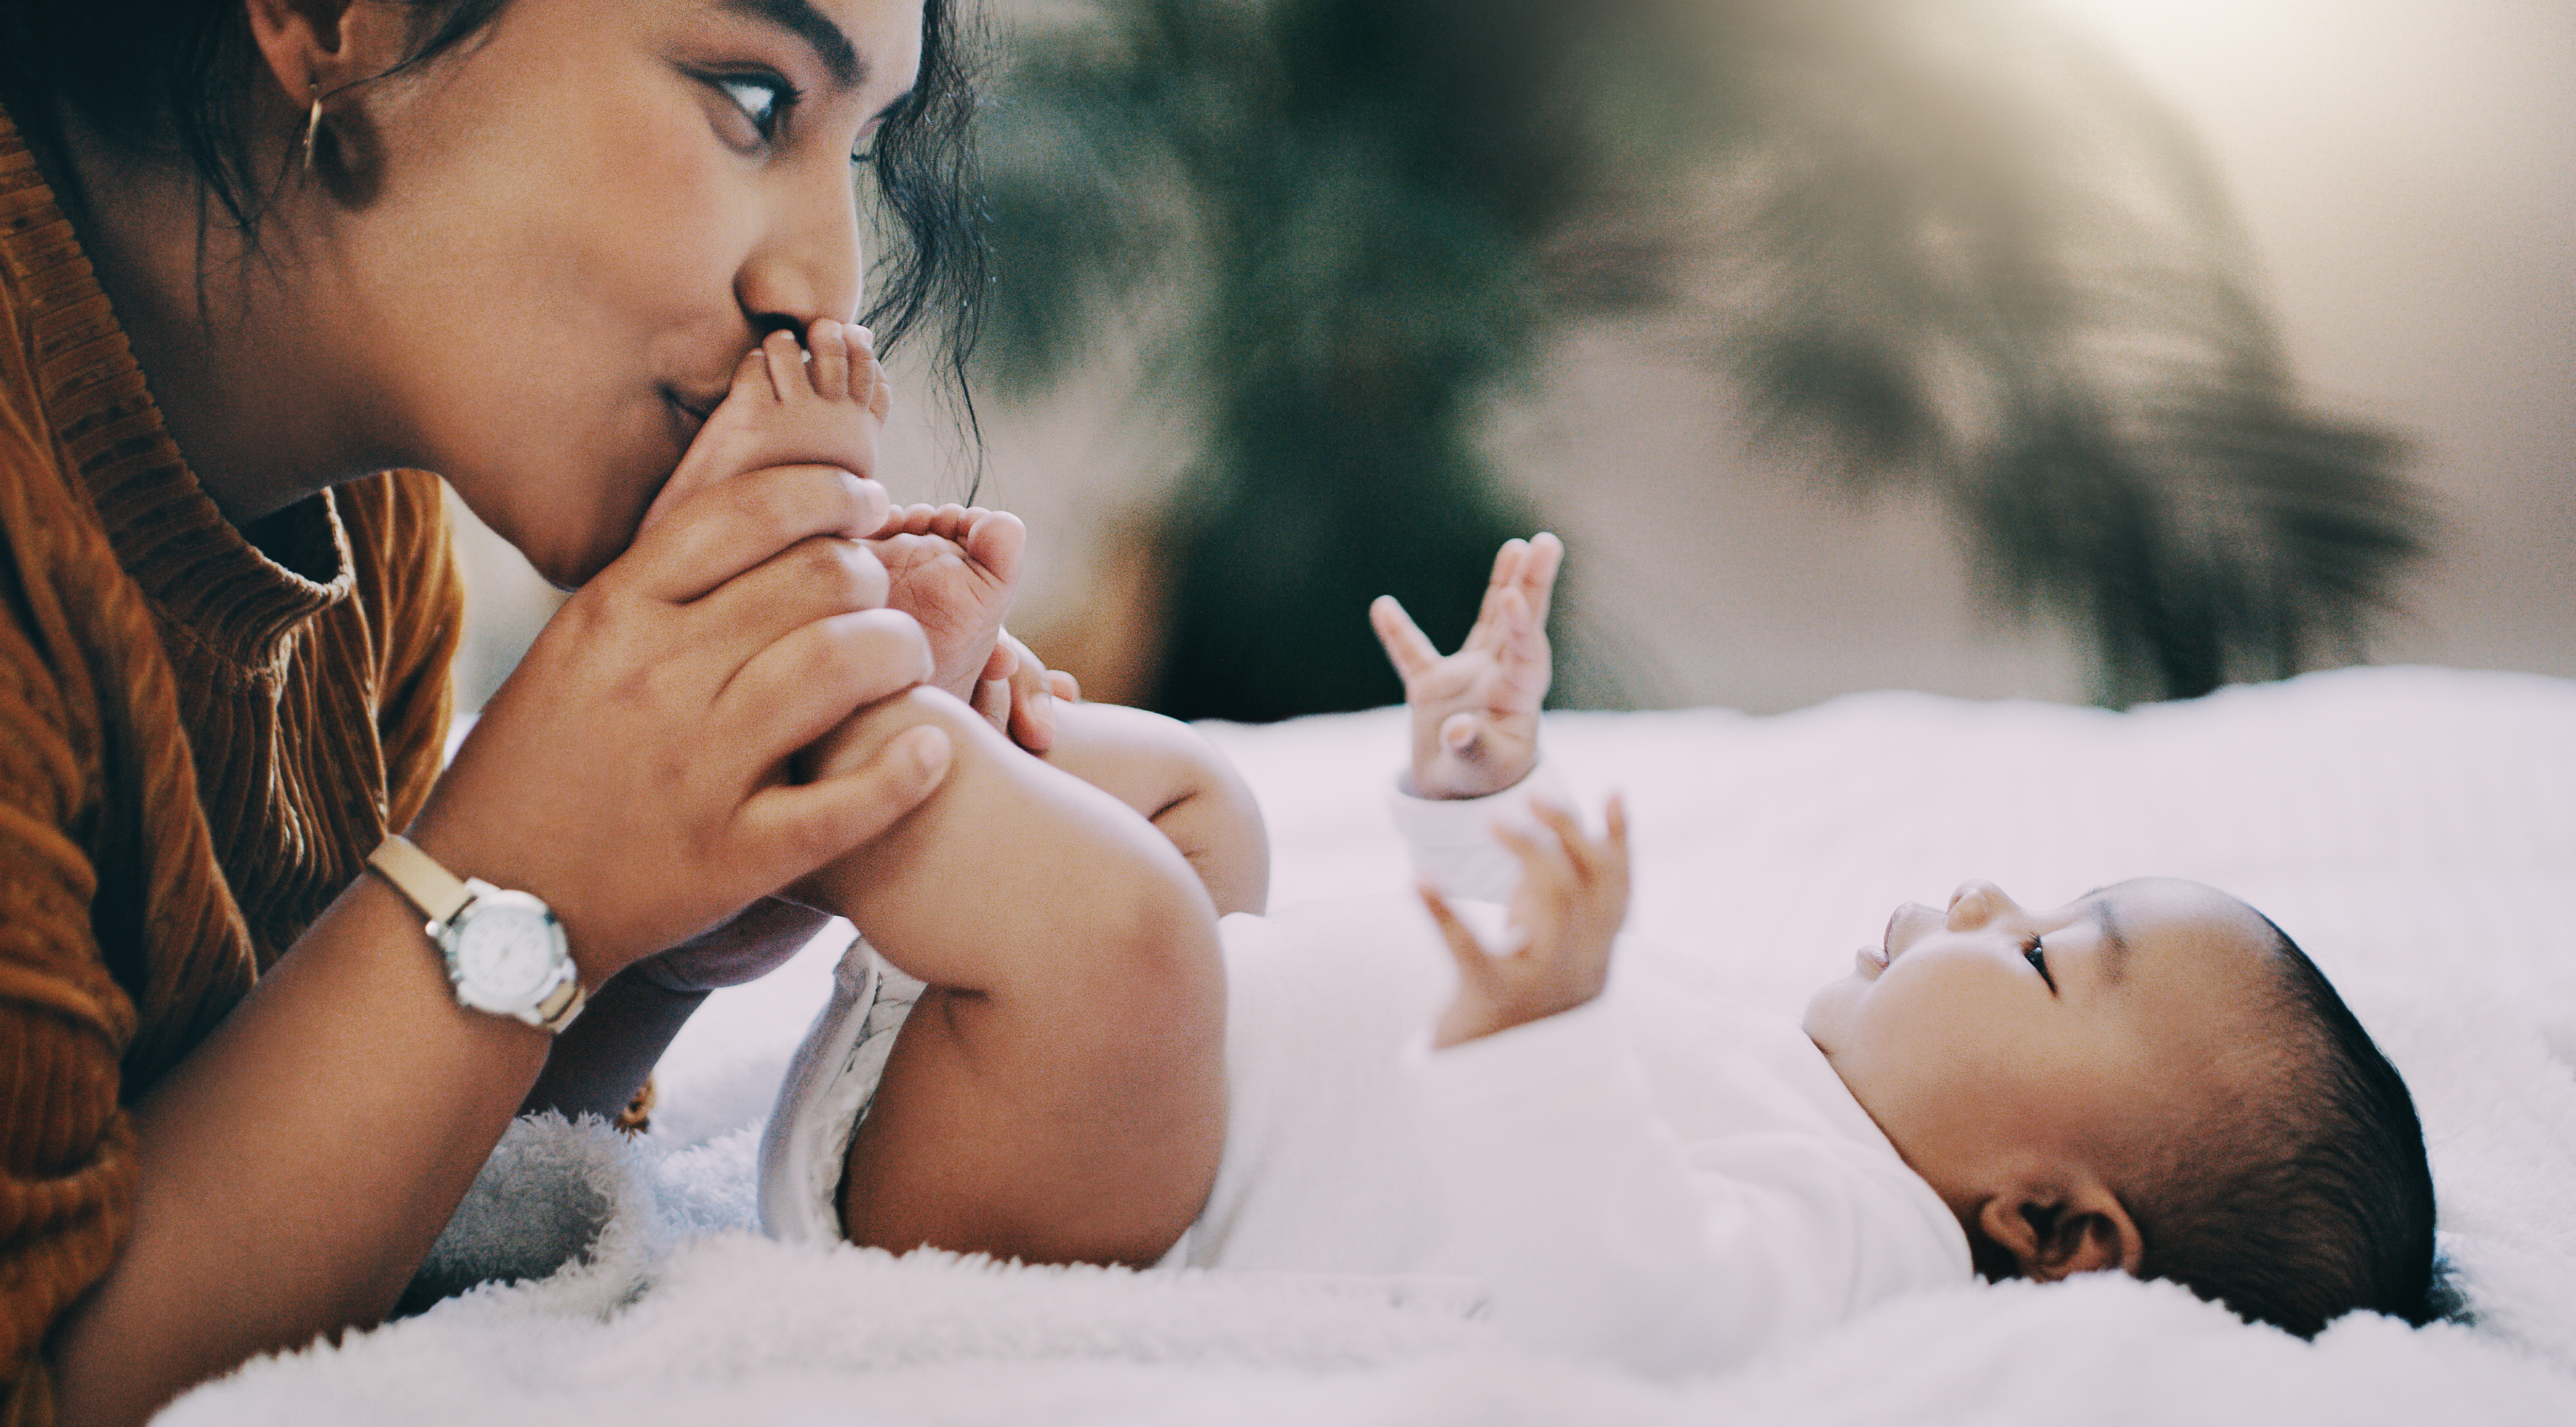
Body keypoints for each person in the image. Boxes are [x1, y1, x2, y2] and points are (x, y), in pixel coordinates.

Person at [0, 3, 1170, 1422]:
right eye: (751, 100)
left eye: (857, 156)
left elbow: (312, 1185)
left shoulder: (367, 531)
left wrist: (652, 923)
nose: (824, 286)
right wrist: (518, 872)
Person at [757, 530, 2441, 1374]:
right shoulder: (1805, 1095)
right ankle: (956, 753)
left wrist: (1547, 1038)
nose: (1989, 899)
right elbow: (1482, 976)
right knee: (1216, 823)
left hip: (1025, 1190)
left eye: (2048, 959)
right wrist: (1476, 796)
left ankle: (834, 736)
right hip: (1060, 1072)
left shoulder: (1862, 1264)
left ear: (2055, 1228)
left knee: (1137, 935)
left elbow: (1631, 1297)